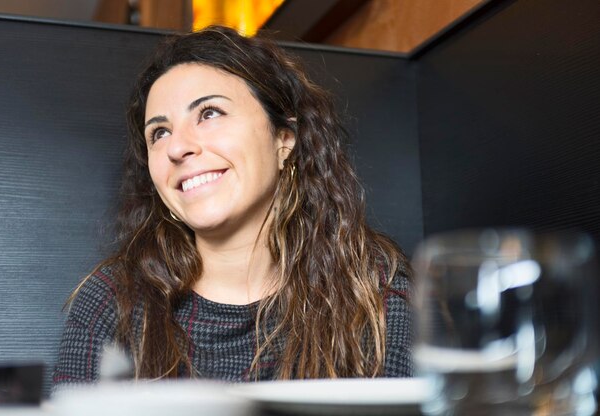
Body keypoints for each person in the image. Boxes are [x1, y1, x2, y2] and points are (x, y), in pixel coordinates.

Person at [52, 25, 413, 390]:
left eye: (209, 113)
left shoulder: (375, 293)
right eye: (159, 133)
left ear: (284, 140)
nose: (177, 148)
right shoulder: (113, 303)